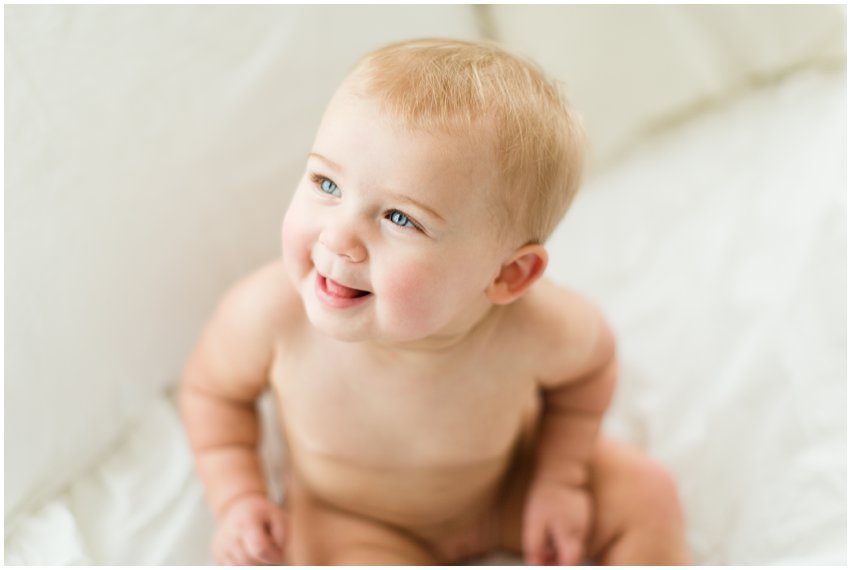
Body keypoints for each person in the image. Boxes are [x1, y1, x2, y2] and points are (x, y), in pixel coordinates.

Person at [180, 38, 688, 565]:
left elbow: (589, 372)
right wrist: (239, 498)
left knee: (648, 493)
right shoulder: (269, 316)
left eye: (400, 218)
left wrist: (560, 479)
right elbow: (212, 393)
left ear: (510, 275)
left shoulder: (540, 327)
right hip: (352, 519)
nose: (338, 239)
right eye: (326, 182)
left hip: (510, 481)